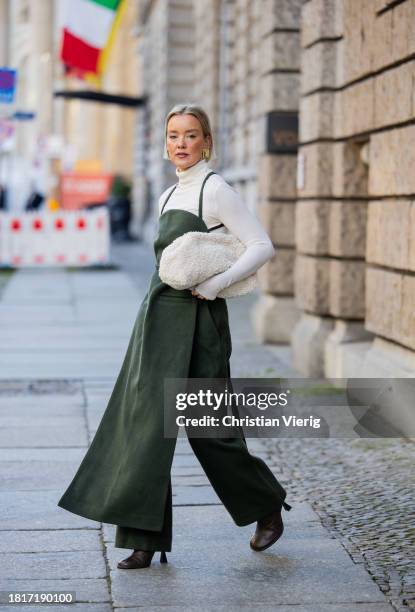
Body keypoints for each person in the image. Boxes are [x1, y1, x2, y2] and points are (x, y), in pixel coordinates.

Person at [57, 103, 292, 570]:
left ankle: (266, 507)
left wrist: (215, 284)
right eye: (172, 135)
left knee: (212, 432)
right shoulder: (166, 196)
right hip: (157, 319)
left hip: (201, 323)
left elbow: (262, 245)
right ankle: (142, 539)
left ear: (206, 140)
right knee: (145, 431)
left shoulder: (215, 189)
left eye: (190, 134)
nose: (180, 143)